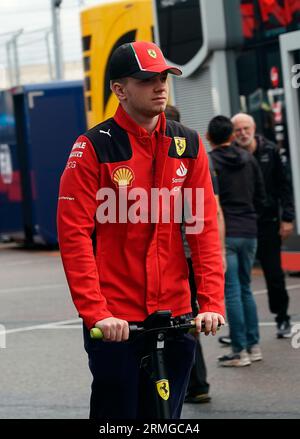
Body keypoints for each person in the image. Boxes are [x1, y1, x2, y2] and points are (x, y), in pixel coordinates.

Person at [57, 41, 225, 419]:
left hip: (175, 315)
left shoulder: (189, 144)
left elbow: (204, 231)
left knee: (166, 419)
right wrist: (96, 313)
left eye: (163, 76)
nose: (160, 85)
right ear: (119, 89)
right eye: (147, 79)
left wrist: (212, 302)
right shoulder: (92, 148)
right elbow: (74, 237)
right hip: (116, 322)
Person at [165, 104, 226, 403]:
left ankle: (193, 382)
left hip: (181, 255)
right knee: (189, 320)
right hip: (195, 253)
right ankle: (196, 383)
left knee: (182, 320)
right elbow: (214, 210)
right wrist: (219, 250)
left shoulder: (182, 157)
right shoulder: (196, 155)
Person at [208, 116, 266, 367]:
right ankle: (254, 346)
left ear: (209, 138)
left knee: (231, 290)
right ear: (232, 135)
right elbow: (261, 195)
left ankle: (239, 350)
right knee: (245, 288)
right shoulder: (249, 159)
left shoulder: (210, 162)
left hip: (227, 231)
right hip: (249, 229)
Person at [231, 113, 295, 339]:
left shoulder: (270, 151)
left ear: (254, 128)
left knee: (274, 274)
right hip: (240, 225)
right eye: (238, 130)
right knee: (237, 279)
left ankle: (283, 319)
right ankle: (241, 332)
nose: (242, 133)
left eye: (246, 128)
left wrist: (287, 217)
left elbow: (283, 185)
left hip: (267, 223)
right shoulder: (229, 154)